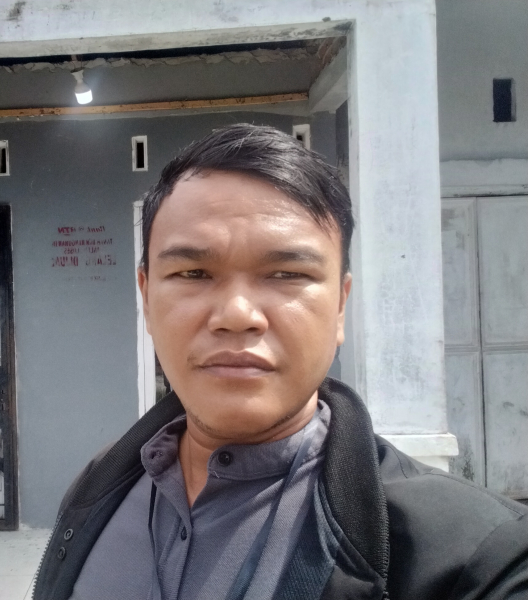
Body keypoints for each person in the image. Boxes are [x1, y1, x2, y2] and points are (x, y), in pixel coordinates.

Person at [33, 124, 528, 600]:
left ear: (340, 305)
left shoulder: (477, 557)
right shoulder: (102, 484)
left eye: (287, 274)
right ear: (146, 297)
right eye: (193, 273)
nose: (236, 315)